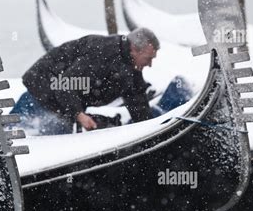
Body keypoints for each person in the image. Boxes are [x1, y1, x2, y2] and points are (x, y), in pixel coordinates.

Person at [10, 27, 160, 135]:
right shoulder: (102, 53)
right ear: (134, 49)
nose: (150, 64)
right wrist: (79, 115)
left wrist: (149, 131)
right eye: (148, 59)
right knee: (52, 148)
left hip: (65, 103)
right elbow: (64, 85)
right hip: (41, 94)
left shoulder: (131, 67)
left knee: (64, 142)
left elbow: (138, 102)